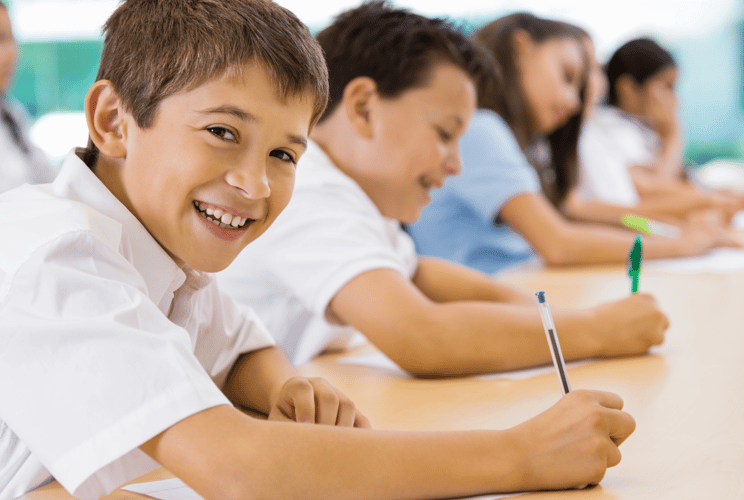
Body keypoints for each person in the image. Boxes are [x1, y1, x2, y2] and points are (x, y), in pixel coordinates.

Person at [0, 1, 637, 499]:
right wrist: (520, 454)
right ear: (113, 121)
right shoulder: (60, 257)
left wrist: (289, 385)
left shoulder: (165, 254)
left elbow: (240, 347)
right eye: (222, 132)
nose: (254, 183)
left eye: (283, 154)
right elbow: (239, 471)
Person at [218, 2, 668, 381]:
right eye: (444, 133)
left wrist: (547, 313)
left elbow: (416, 271)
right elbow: (423, 333)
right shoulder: (311, 190)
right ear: (362, 107)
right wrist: (600, 323)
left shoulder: (358, 193)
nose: (456, 163)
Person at [409, 13, 739, 275]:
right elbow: (563, 240)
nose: (576, 99)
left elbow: (602, 215)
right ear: (522, 48)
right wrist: (679, 239)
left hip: (534, 278)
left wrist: (671, 230)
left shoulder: (531, 145)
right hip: (510, 284)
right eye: (568, 76)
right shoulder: (485, 131)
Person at [572, 37, 744, 223]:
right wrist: (672, 135)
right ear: (628, 89)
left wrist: (715, 197)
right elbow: (653, 191)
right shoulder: (613, 129)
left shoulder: (641, 128)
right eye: (667, 87)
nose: (675, 99)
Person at [0, 0, 55, 193]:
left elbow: (47, 181)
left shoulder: (12, 115)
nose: (13, 53)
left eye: (12, 40)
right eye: (0, 39)